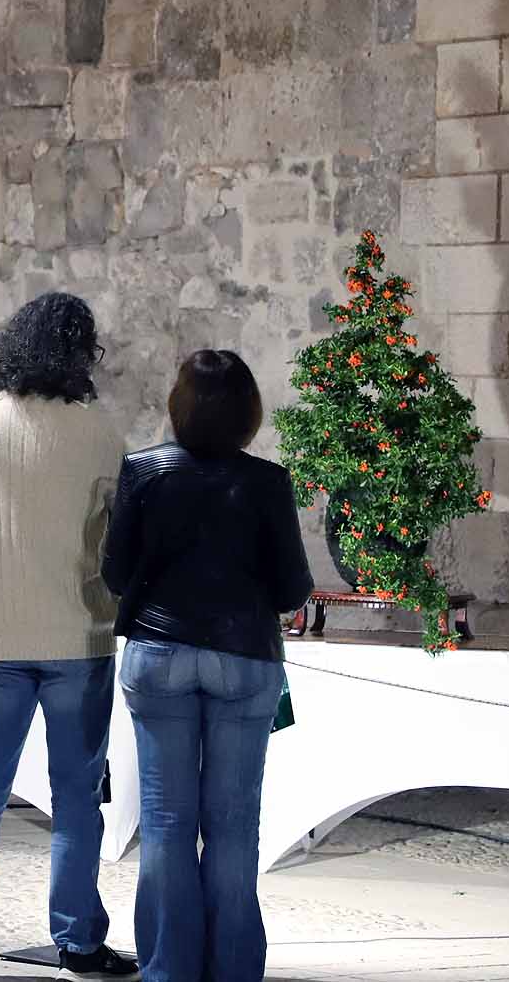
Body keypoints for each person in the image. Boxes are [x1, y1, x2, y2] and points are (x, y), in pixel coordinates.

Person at [0, 293, 139, 982]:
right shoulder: (102, 434)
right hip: (78, 633)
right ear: (83, 354)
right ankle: (77, 942)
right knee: (77, 794)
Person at [101, 349, 313, 982]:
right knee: (232, 823)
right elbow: (292, 590)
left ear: (178, 405)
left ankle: (169, 969)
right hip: (244, 661)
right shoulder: (268, 483)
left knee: (165, 821)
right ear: (249, 412)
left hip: (159, 657)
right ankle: (234, 970)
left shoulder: (141, 472)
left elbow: (115, 573)